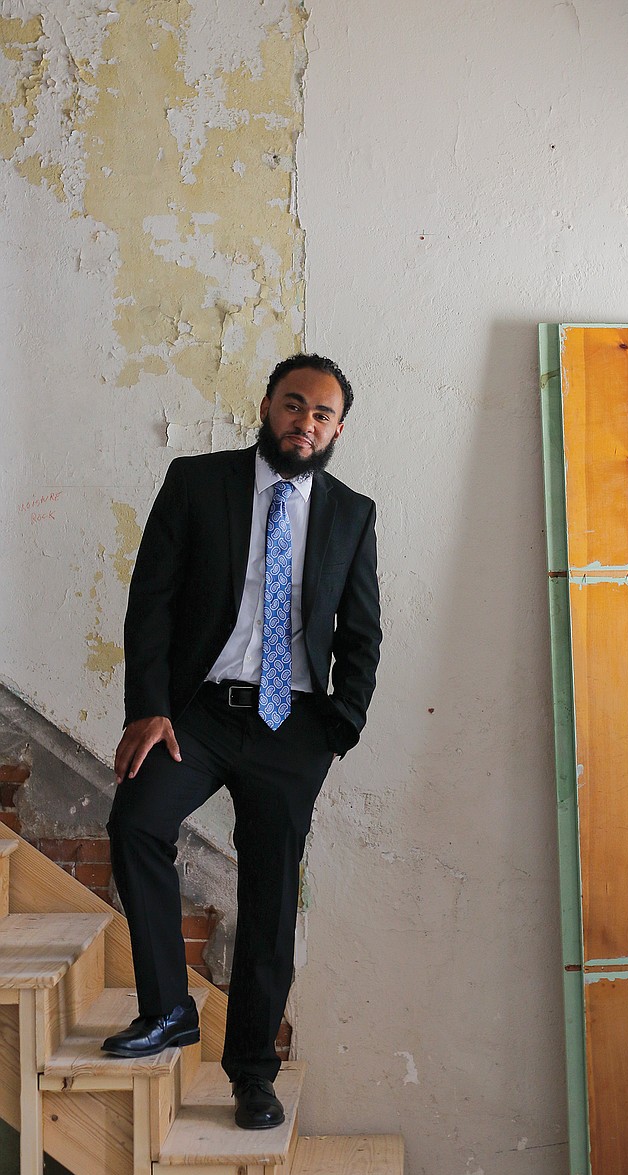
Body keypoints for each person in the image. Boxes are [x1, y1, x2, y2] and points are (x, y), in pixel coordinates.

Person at [103, 354, 381, 1131]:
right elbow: (150, 602)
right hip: (199, 714)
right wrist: (148, 708)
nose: (307, 423)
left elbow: (361, 633)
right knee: (137, 821)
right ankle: (167, 1008)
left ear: (338, 429)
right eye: (295, 406)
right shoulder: (198, 482)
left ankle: (252, 1076)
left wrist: (340, 725)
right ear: (267, 406)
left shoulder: (351, 513)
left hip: (295, 726)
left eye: (323, 414)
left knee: (268, 901)